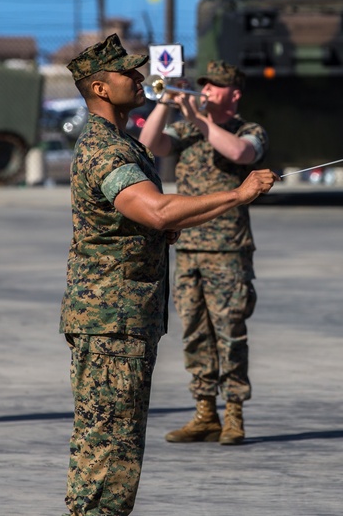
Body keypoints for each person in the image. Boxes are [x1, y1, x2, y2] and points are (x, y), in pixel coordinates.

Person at [60, 34, 277, 516]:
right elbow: (157, 211)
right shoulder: (108, 152)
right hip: (111, 321)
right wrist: (237, 197)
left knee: (114, 442)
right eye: (127, 74)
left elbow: (148, 221)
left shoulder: (121, 145)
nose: (139, 79)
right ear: (99, 87)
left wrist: (162, 232)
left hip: (124, 317)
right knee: (109, 446)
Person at [139, 60, 268, 447]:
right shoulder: (185, 129)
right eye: (204, 84)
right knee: (195, 334)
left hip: (228, 250)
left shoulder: (248, 129)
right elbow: (149, 144)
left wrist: (198, 119)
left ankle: (235, 414)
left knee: (230, 334)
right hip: (189, 248)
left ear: (235, 93)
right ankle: (204, 412)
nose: (207, 90)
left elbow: (241, 154)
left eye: (216, 86)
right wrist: (164, 101)